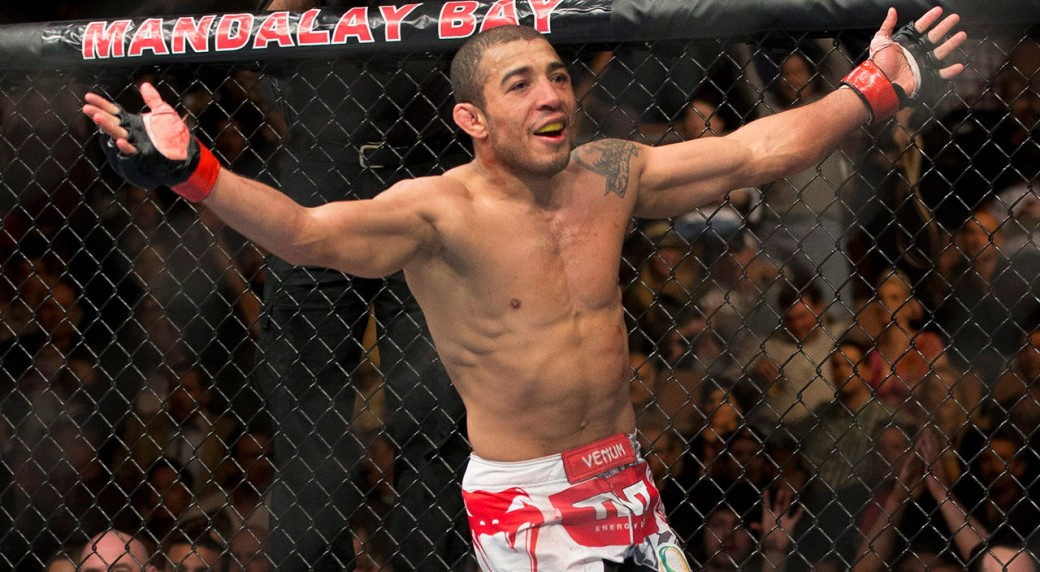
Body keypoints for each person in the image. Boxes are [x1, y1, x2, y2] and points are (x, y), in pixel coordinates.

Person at [83, 8, 966, 569]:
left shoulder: (612, 173)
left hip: (628, 475)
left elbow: (755, 151)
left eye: (557, 76)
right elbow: (305, 233)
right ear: (472, 118)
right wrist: (195, 172)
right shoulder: (437, 212)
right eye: (521, 84)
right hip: (529, 496)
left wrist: (874, 88)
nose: (552, 96)